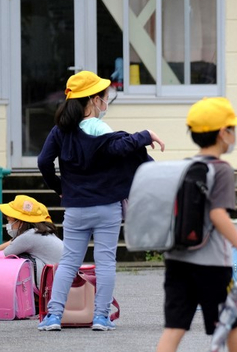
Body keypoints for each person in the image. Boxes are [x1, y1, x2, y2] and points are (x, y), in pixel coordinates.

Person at [37, 71, 164, 332]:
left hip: (75, 208)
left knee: (70, 262)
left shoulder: (60, 131)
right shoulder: (101, 130)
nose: (106, 103)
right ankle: (100, 318)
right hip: (106, 207)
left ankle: (53, 317)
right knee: (105, 262)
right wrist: (147, 134)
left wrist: (60, 188)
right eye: (105, 98)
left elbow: (43, 162)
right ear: (94, 100)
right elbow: (121, 148)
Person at [155, 97, 237, 352]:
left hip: (177, 260)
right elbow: (217, 215)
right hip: (212, 265)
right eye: (233, 129)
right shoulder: (221, 169)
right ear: (224, 134)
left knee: (174, 327)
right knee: (231, 324)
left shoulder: (183, 167)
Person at [0, 195, 63, 285]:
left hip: (51, 285)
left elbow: (4, 255)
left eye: (10, 221)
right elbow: (12, 242)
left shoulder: (29, 237)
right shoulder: (41, 232)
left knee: (13, 260)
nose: (9, 224)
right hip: (62, 281)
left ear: (20, 221)